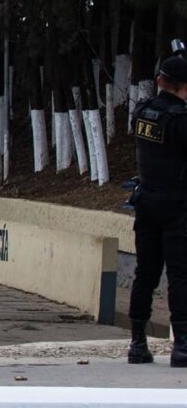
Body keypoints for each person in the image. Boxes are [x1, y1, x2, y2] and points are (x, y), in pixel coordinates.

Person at [127, 54, 187, 366]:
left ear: (161, 81)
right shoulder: (181, 120)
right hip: (177, 207)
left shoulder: (143, 111)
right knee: (179, 276)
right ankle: (182, 346)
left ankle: (137, 342)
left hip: (146, 202)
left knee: (145, 274)